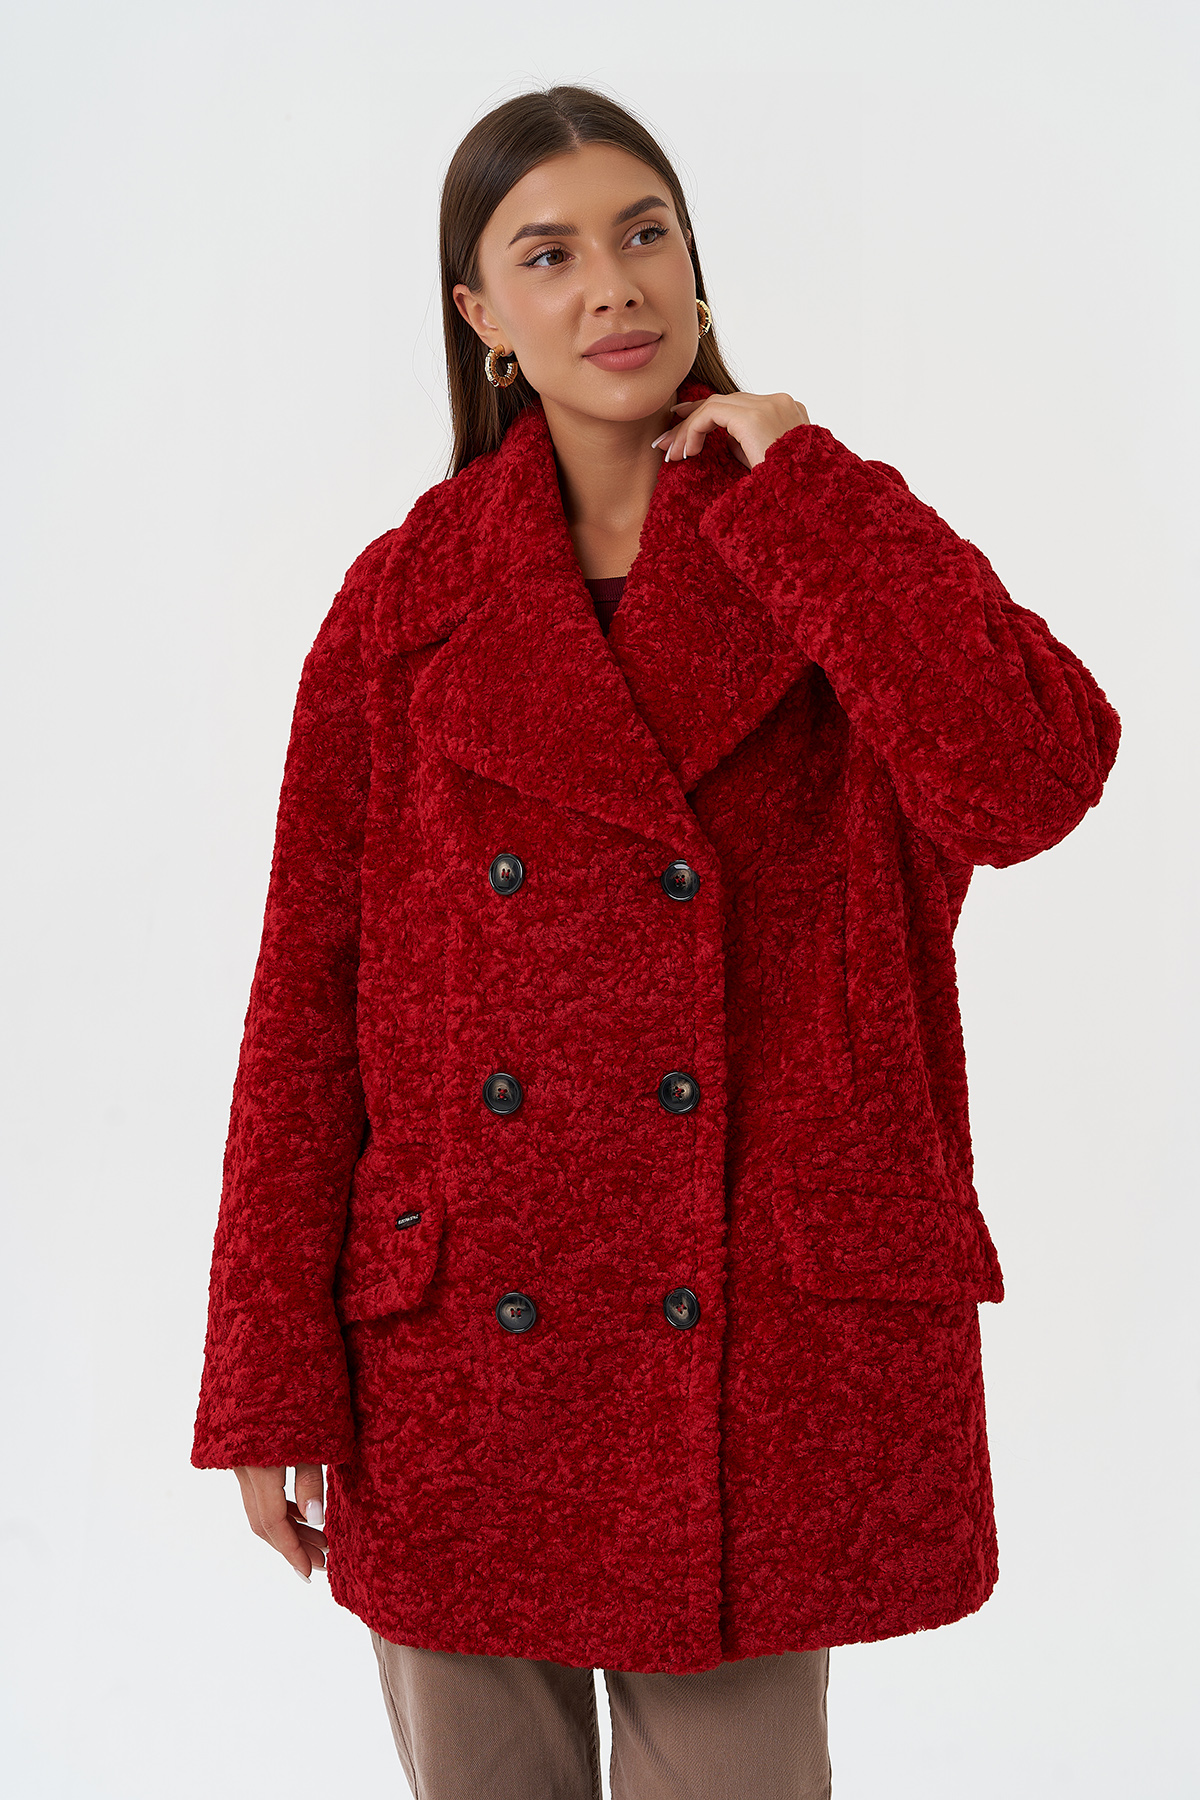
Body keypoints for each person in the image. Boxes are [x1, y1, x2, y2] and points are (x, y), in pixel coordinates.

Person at [191, 83, 1122, 1800]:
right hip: (461, 1353)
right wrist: (265, 1379)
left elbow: (1031, 775)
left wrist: (811, 486)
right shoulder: (404, 603)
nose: (612, 284)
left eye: (644, 234)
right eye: (548, 255)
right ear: (481, 316)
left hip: (755, 1340)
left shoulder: (811, 551)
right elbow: (303, 1008)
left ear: (696, 264)